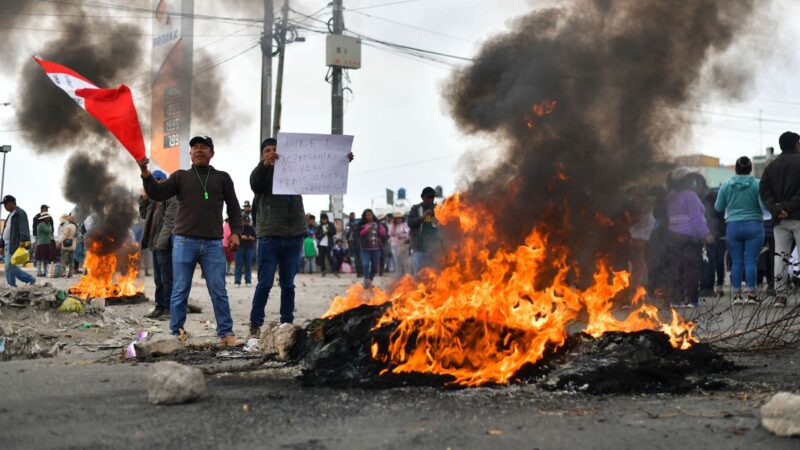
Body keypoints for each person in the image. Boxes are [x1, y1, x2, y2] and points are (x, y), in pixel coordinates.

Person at [137, 135, 244, 346]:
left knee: (218, 290)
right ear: (190, 154)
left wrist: (236, 232)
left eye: (204, 147)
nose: (199, 150)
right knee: (179, 289)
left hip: (213, 243)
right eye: (195, 147)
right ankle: (176, 334)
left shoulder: (222, 178)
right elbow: (158, 192)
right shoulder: (180, 177)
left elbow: (233, 207)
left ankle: (226, 333)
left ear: (212, 153)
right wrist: (145, 173)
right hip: (184, 241)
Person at [248, 138, 353, 336]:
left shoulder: (298, 171)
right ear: (262, 155)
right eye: (267, 151)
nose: (272, 153)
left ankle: (286, 323)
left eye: (275, 150)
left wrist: (341, 160)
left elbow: (321, 170)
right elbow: (255, 182)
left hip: (293, 237)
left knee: (288, 284)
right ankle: (255, 324)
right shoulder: (261, 175)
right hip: (270, 237)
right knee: (265, 283)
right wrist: (265, 165)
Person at [715, 157, 765, 304]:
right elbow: (763, 205)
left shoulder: (726, 185)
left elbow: (718, 207)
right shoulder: (757, 184)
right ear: (750, 169)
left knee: (736, 262)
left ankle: (736, 295)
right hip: (754, 225)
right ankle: (751, 294)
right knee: (751, 261)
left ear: (735, 168)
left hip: (733, 226)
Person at [759, 131, 800, 308]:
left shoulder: (771, 166)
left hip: (779, 221)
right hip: (798, 216)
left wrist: (777, 209)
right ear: (796, 144)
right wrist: (789, 207)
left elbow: (764, 190)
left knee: (780, 256)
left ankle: (780, 296)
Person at [665, 169, 714, 308]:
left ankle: (676, 300)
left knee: (676, 268)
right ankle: (692, 300)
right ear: (687, 181)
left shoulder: (671, 197)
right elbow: (696, 218)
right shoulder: (690, 196)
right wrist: (706, 233)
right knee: (691, 269)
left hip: (673, 236)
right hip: (690, 238)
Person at [139, 170, 178, 319]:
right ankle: (160, 306)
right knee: (158, 279)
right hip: (154, 245)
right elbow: (144, 215)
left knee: (166, 277)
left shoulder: (171, 197)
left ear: (164, 181)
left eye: (158, 180)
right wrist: (144, 198)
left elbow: (170, 222)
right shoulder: (154, 200)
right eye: (153, 180)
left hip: (164, 245)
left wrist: (161, 244)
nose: (155, 183)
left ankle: (168, 308)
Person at [1, 195, 35, 287]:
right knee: (8, 267)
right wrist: (2, 245)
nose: (4, 207)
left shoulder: (20, 213)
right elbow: (5, 230)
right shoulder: (10, 215)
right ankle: (11, 285)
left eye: (5, 204)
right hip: (7, 244)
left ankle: (30, 279)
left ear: (12, 203)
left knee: (10, 266)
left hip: (14, 243)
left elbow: (24, 227)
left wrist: (23, 240)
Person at [408, 186, 443, 274]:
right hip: (419, 247)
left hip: (435, 247)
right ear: (423, 197)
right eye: (428, 197)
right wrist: (422, 217)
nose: (430, 199)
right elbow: (410, 223)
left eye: (432, 197)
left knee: (435, 273)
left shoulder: (439, 208)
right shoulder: (416, 208)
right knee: (419, 273)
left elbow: (445, 225)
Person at [699, 190, 726, 297]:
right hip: (720, 236)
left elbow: (708, 220)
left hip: (711, 235)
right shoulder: (720, 205)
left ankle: (707, 287)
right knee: (718, 262)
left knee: (709, 261)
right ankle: (718, 286)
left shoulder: (705, 204)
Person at [360, 208, 385, 288]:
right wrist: (366, 229)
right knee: (366, 264)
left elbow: (383, 234)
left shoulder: (378, 224)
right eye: (367, 215)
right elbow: (358, 234)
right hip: (365, 249)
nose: (369, 216)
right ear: (365, 216)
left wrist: (378, 228)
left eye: (370, 214)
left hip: (376, 249)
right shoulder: (361, 225)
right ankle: (366, 281)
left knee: (374, 267)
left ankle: (370, 279)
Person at [234, 215, 256, 287]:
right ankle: (237, 281)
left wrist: (251, 238)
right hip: (239, 248)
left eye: (247, 221)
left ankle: (248, 281)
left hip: (249, 248)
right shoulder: (239, 228)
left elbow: (255, 238)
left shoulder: (251, 228)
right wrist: (241, 237)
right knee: (238, 265)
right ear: (242, 221)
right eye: (244, 221)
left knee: (248, 265)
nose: (246, 222)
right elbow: (235, 236)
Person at [34, 212, 57, 277]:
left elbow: (50, 230)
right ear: (44, 218)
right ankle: (39, 272)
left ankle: (44, 272)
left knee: (45, 259)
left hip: (46, 243)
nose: (49, 219)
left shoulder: (45, 224)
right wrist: (49, 224)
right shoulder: (41, 225)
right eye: (47, 218)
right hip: (42, 243)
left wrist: (49, 225)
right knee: (40, 259)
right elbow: (49, 231)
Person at [316, 213, 339, 277]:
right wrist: (323, 234)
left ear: (327, 219)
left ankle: (334, 271)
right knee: (321, 259)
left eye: (325, 219)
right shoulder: (319, 226)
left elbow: (334, 232)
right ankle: (323, 271)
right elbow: (317, 236)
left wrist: (328, 230)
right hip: (321, 245)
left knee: (331, 258)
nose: (324, 221)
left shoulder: (331, 224)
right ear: (321, 220)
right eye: (323, 219)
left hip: (329, 245)